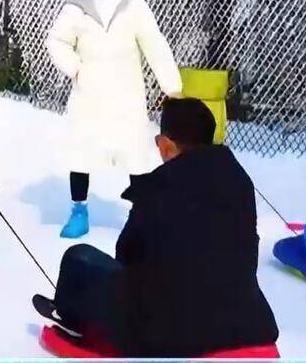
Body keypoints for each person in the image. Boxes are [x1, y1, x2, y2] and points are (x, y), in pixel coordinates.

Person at [34, 98, 278, 357]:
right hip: (246, 321)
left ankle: (71, 316)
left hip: (168, 334)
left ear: (166, 145)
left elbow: (127, 256)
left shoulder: (157, 187)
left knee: (79, 258)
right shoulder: (240, 180)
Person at [46, 0, 183, 239]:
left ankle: (143, 215)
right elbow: (56, 41)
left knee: (135, 153)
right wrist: (76, 68)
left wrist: (172, 87)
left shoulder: (135, 5)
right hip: (89, 93)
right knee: (81, 152)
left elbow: (155, 45)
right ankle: (79, 210)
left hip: (127, 93)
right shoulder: (77, 6)